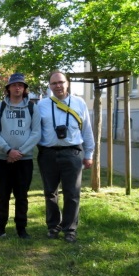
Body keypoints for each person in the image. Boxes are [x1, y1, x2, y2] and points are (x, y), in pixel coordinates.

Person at [37, 71, 94, 243]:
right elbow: (35, 130)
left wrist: (89, 153)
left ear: (67, 83)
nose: (58, 86)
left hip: (72, 153)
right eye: (54, 83)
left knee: (72, 193)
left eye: (61, 82)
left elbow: (87, 130)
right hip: (48, 153)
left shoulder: (79, 103)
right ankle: (53, 226)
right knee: (50, 193)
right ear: (49, 86)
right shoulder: (42, 105)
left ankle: (70, 229)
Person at [0, 73, 41, 239]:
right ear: (8, 88)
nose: (17, 87)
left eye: (21, 85)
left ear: (25, 88)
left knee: (22, 195)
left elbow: (36, 133)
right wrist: (8, 151)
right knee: (3, 194)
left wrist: (20, 152)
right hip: (3, 159)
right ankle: (0, 228)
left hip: (24, 161)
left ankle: (21, 229)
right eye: (14, 85)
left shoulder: (33, 108)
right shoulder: (0, 107)